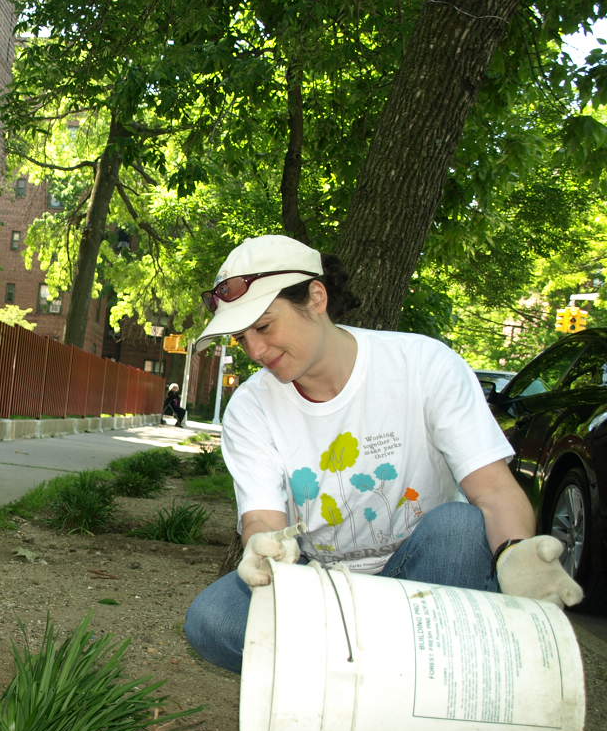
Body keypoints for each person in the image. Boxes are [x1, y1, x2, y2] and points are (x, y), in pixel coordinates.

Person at [182, 234, 583, 673]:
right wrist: (263, 547)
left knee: (460, 527)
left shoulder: (423, 364)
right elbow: (263, 518)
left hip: (426, 577)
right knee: (214, 620)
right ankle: (408, 667)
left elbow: (493, 491)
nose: (255, 351)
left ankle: (356, 668)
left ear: (316, 298)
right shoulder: (251, 407)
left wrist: (516, 553)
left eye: (263, 327)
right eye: (242, 338)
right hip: (320, 586)